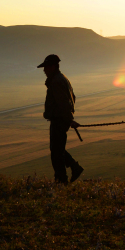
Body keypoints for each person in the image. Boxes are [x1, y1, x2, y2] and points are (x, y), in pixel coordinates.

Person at [38, 54, 84, 184]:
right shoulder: (62, 78)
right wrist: (69, 118)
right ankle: (73, 169)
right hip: (61, 119)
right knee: (58, 149)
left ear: (53, 67)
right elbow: (71, 98)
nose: (44, 70)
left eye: (46, 67)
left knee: (56, 153)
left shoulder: (57, 81)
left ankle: (62, 179)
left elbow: (63, 103)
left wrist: (69, 119)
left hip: (59, 120)